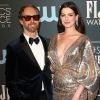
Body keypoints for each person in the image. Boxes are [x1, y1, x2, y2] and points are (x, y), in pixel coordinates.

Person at [48, 1, 100, 100]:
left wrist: (77, 96)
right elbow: (51, 67)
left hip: (76, 93)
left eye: (70, 15)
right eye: (63, 15)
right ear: (60, 18)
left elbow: (90, 72)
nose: (66, 18)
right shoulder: (54, 38)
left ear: (76, 17)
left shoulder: (83, 40)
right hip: (56, 92)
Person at [5, 4, 52, 100]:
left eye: (35, 17)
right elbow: (11, 82)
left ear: (39, 20)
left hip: (49, 95)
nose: (32, 21)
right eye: (27, 18)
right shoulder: (13, 47)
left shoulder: (49, 42)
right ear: (21, 21)